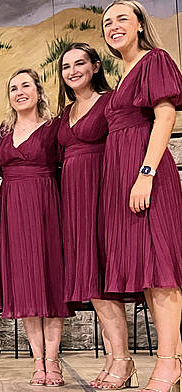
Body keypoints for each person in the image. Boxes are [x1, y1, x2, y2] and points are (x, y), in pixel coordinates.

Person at [101, 2, 182, 391]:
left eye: (121, 19)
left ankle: (167, 365)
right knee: (150, 274)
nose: (114, 27)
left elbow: (166, 115)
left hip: (147, 175)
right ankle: (175, 359)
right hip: (125, 178)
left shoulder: (156, 60)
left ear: (139, 24)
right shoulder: (123, 74)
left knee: (163, 272)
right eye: (107, 23)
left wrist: (146, 174)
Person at [56, 43, 140, 390]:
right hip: (74, 200)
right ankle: (114, 357)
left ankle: (122, 358)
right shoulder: (66, 112)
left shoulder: (110, 102)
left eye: (79, 63)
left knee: (107, 279)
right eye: (65, 66)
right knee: (92, 279)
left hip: (105, 191)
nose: (72, 71)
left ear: (94, 66)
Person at [0, 68, 71, 387]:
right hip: (12, 209)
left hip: (45, 207)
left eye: (25, 85)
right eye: (13, 88)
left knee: (50, 284)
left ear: (39, 92)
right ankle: (37, 361)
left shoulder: (54, 127)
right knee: (27, 286)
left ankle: (53, 361)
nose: (19, 92)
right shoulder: (2, 131)